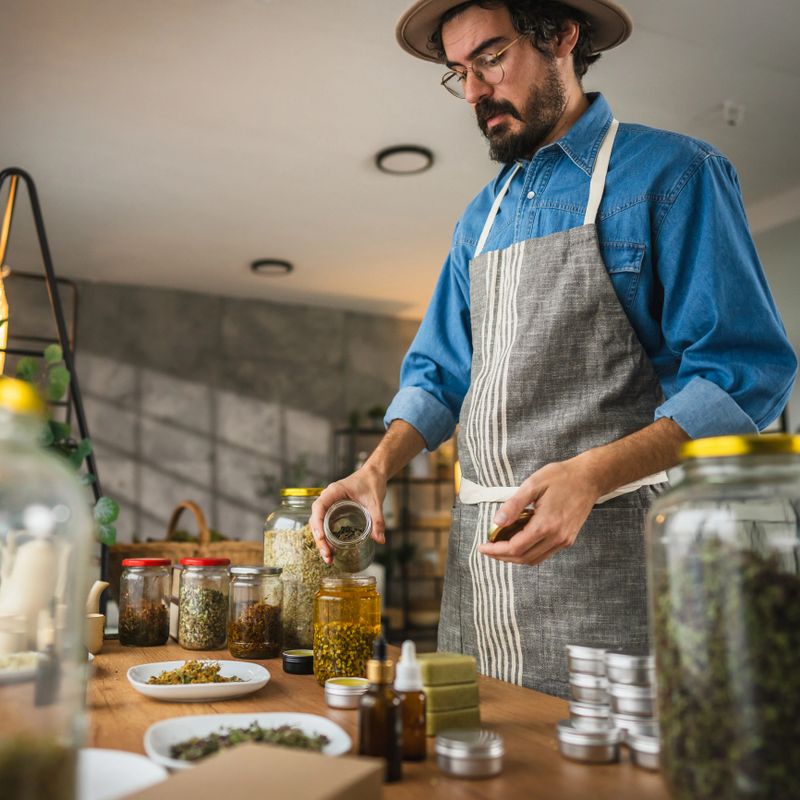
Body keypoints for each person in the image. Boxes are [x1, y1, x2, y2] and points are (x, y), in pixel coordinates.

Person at [311, 0, 797, 696]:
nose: (474, 91)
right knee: (481, 742)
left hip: (618, 554)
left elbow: (744, 373)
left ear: (563, 36)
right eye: (458, 72)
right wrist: (374, 470)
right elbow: (438, 374)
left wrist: (591, 475)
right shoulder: (479, 220)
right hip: (481, 568)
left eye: (490, 58)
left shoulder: (674, 174)